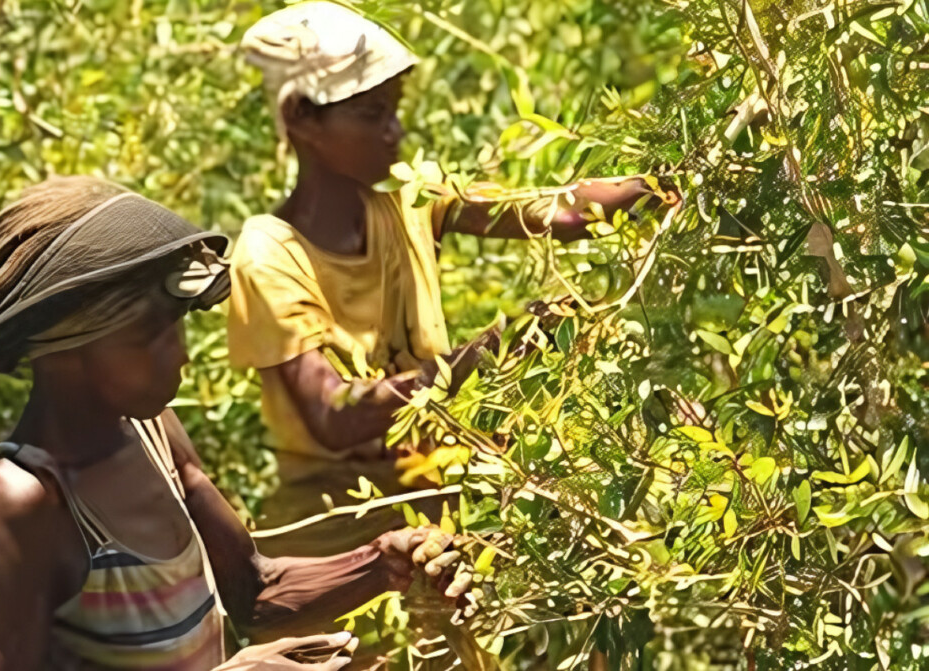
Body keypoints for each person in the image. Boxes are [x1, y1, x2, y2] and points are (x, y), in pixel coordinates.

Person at [0, 176, 460, 670]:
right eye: (149, 335)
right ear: (66, 351)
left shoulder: (154, 433)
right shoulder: (17, 499)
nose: (181, 355)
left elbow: (254, 591)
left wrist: (380, 561)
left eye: (177, 327)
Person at [228, 1, 679, 554]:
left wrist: (663, 183)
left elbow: (553, 211)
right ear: (302, 117)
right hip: (336, 542)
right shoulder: (268, 252)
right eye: (371, 115)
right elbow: (333, 417)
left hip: (440, 519)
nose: (394, 132)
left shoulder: (411, 198)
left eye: (395, 110)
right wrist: (489, 350)